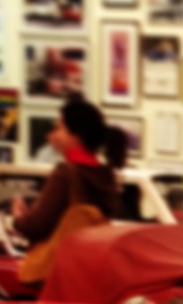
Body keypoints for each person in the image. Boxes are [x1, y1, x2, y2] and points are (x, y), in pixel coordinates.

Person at [11, 98, 120, 247]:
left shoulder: (65, 173)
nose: (53, 136)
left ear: (75, 134)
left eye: (59, 128)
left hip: (63, 261)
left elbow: (36, 225)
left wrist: (19, 217)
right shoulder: (106, 175)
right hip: (91, 259)